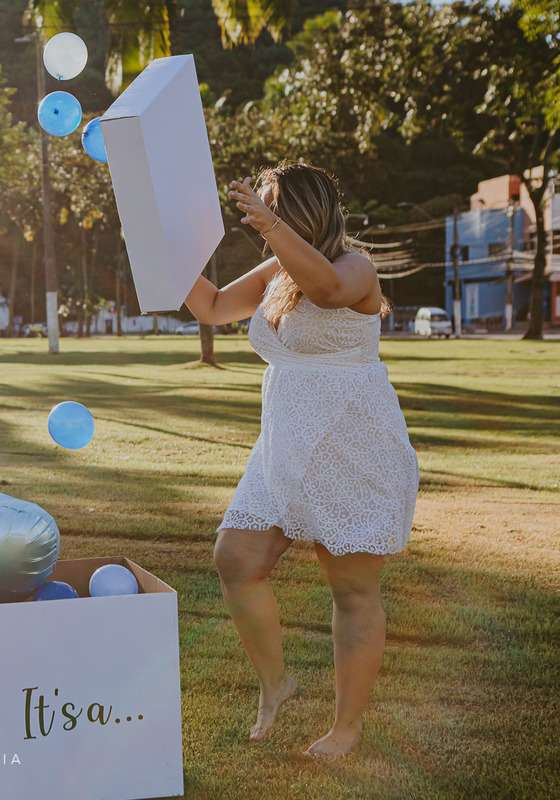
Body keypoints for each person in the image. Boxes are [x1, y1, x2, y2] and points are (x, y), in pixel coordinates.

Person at [182, 163, 418, 759]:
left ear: (303, 211)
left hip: (351, 441)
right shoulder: (276, 269)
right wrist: (166, 251)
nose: (261, 226)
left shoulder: (355, 267)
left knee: (353, 592)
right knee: (236, 558)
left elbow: (329, 292)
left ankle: (346, 727)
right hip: (284, 440)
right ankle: (275, 682)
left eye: (270, 211)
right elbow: (210, 306)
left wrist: (272, 228)